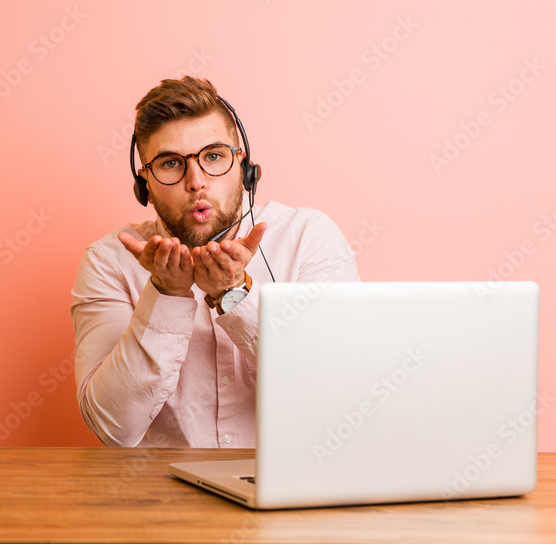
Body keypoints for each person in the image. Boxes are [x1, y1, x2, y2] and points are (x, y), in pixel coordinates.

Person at [70, 76, 360, 448]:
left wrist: (233, 294)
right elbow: (114, 429)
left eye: (213, 157)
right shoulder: (107, 261)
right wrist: (164, 294)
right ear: (144, 184)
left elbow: (338, 394)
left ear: (244, 166)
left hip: (291, 494)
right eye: (171, 163)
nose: (197, 182)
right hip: (160, 501)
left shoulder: (309, 238)